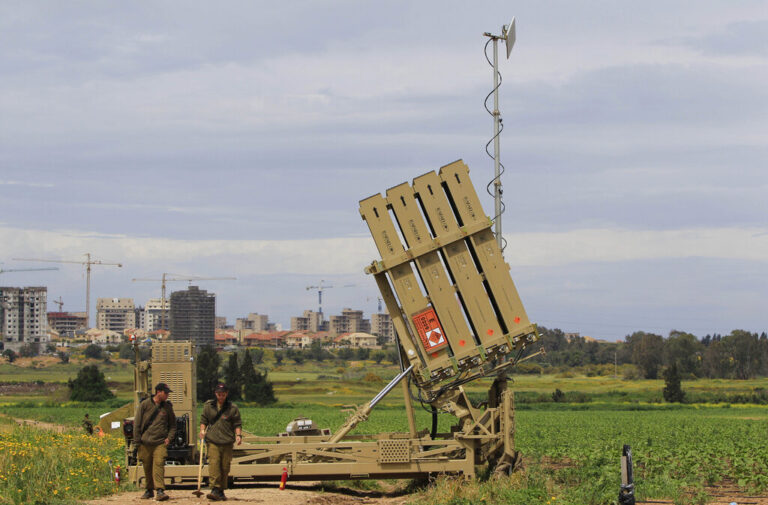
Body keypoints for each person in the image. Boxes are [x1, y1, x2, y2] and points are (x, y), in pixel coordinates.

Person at [200, 383, 242, 501]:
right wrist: (202, 431)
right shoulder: (208, 406)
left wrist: (238, 435)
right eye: (219, 394)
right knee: (214, 465)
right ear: (215, 394)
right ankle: (214, 488)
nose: (221, 396)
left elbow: (237, 423)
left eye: (223, 394)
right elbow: (204, 420)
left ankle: (221, 490)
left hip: (227, 441)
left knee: (224, 467)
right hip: (213, 440)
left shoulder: (232, 408)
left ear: (226, 394)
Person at [134, 383, 176, 501]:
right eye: (166, 393)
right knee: (147, 466)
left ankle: (160, 490)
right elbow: (137, 424)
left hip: (160, 443)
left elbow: (173, 425)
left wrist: (169, 438)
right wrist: (137, 443)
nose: (167, 395)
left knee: (159, 465)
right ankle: (149, 490)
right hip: (145, 442)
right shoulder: (145, 405)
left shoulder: (167, 407)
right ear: (158, 392)